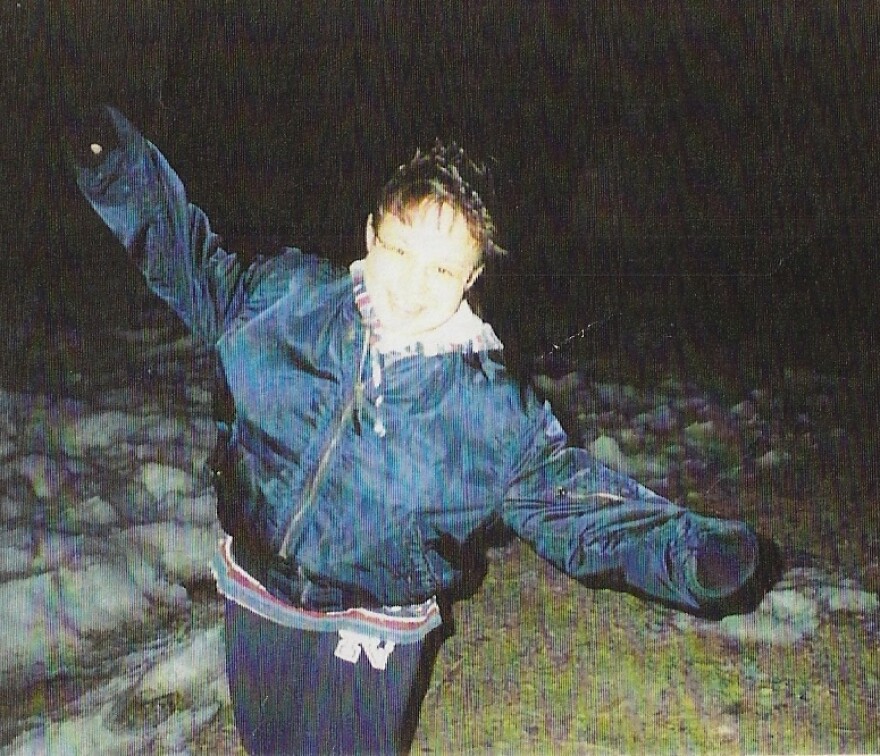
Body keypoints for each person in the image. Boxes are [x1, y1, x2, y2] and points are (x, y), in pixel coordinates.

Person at [67, 105, 780, 755]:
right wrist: (120, 171)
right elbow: (192, 266)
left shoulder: (487, 412)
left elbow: (578, 505)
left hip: (372, 626)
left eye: (441, 269)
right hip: (257, 591)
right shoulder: (286, 302)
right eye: (401, 251)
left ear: (471, 279)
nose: (411, 287)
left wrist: (689, 552)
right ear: (370, 234)